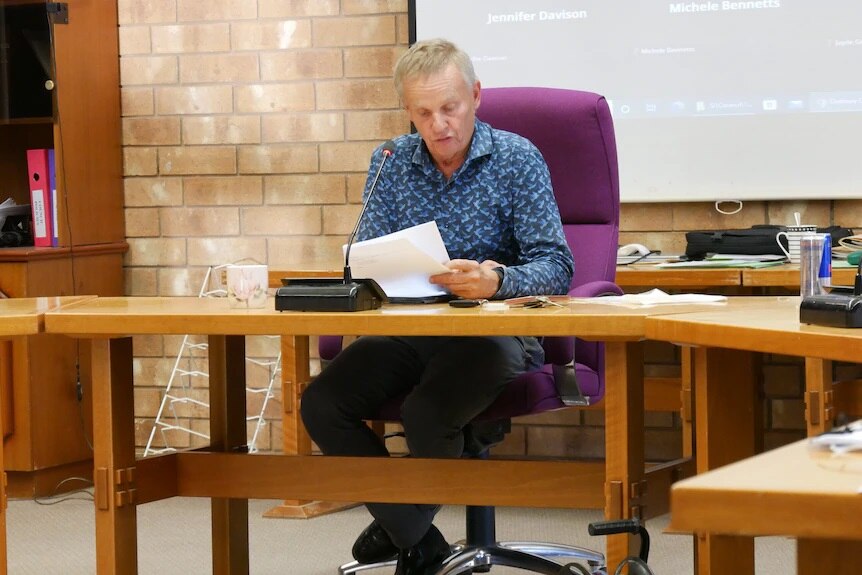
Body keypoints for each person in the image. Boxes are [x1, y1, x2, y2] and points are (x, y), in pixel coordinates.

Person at [300, 38, 574, 575]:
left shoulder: (517, 158)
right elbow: (367, 258)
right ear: (408, 111)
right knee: (323, 401)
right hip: (412, 328)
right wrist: (368, 271)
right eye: (423, 112)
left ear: (475, 95)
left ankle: (405, 528)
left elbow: (558, 264)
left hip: (496, 333)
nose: (439, 124)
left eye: (450, 107)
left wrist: (495, 279)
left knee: (425, 412)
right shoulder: (390, 162)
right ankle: (420, 537)